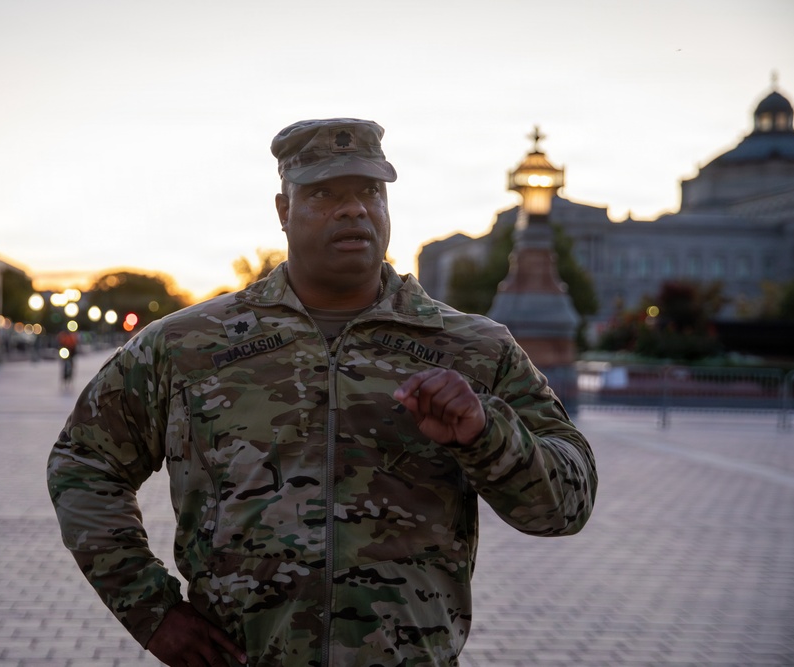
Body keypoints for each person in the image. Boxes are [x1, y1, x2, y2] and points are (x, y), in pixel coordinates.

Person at [48, 118, 598, 666]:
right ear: (284, 211)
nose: (354, 208)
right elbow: (84, 462)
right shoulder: (186, 344)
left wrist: (486, 433)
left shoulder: (474, 348)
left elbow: (565, 508)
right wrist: (153, 612)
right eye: (324, 193)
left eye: (370, 192)